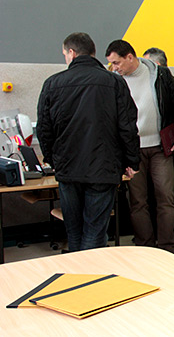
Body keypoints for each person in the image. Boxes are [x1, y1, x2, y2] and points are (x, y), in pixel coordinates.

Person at [37, 32, 139, 251]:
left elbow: (44, 129)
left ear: (72, 53)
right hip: (103, 168)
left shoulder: (53, 83)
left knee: (73, 230)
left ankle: (78, 270)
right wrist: (131, 161)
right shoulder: (114, 82)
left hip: (68, 168)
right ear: (93, 53)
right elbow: (128, 126)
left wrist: (52, 159)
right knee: (95, 230)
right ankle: (93, 270)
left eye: (65, 54)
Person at [105, 40, 174, 254]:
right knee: (138, 201)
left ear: (129, 57)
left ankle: (168, 247)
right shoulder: (113, 80)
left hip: (161, 147)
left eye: (116, 62)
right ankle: (145, 247)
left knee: (166, 198)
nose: (114, 67)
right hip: (132, 150)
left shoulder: (160, 74)